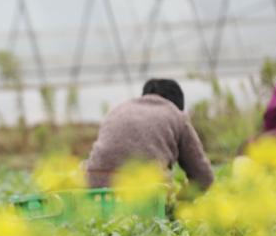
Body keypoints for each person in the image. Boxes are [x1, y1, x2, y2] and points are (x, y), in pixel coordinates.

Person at [85, 78, 214, 190]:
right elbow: (203, 176)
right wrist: (183, 201)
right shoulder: (176, 115)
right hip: (148, 190)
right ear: (178, 103)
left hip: (96, 187)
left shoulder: (118, 110)